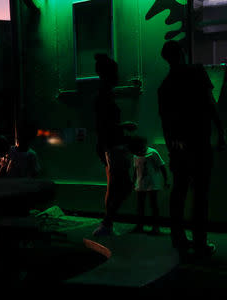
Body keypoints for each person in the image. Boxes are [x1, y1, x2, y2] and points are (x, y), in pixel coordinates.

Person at [158, 40, 226, 258]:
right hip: (200, 142)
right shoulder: (197, 72)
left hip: (179, 146)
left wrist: (171, 147)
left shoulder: (164, 86)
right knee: (200, 194)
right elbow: (210, 103)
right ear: (182, 52)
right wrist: (221, 131)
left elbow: (166, 123)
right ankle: (200, 242)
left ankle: (178, 238)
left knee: (179, 191)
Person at [92, 53, 137, 236]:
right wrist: (124, 126)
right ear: (109, 74)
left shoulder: (103, 93)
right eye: (116, 72)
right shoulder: (105, 95)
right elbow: (104, 125)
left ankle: (107, 225)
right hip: (113, 146)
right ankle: (107, 222)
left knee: (113, 185)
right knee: (124, 186)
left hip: (107, 145)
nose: (119, 75)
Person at [129, 136, 169, 235]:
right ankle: (140, 226)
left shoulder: (153, 152)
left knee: (153, 206)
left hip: (152, 183)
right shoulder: (135, 154)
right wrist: (133, 181)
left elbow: (162, 166)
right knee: (140, 206)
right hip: (140, 183)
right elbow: (136, 169)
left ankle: (155, 227)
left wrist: (166, 180)